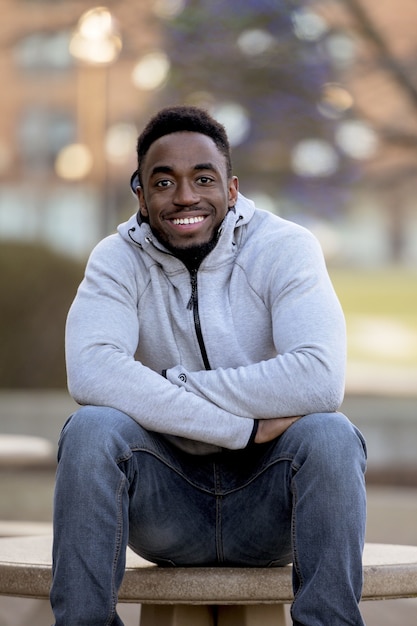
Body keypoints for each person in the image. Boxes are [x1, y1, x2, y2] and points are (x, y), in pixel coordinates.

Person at [51, 105, 367, 626]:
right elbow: (90, 371)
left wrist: (173, 384)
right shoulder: (115, 259)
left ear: (232, 188)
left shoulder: (285, 248)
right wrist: (240, 429)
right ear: (141, 194)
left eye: (203, 178)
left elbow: (319, 377)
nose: (185, 197)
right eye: (164, 181)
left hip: (269, 505)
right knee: (91, 428)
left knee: (331, 435)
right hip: (166, 503)